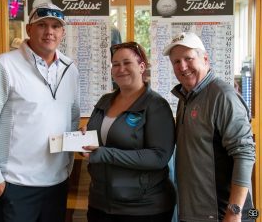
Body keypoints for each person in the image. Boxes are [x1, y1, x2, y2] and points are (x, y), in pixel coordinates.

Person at [0, 2, 80, 222]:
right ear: (29, 29)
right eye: (42, 25)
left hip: (56, 184)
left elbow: (73, 117)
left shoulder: (71, 69)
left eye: (55, 26)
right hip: (14, 186)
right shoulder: (3, 65)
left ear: (62, 33)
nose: (49, 31)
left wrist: (67, 168)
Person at [163, 32, 256, 222]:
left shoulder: (222, 96)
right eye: (176, 61)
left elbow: (245, 153)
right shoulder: (186, 98)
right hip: (195, 213)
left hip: (223, 214)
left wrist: (235, 211)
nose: (182, 66)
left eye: (188, 58)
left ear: (205, 59)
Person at [81, 42, 176, 222]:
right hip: (100, 203)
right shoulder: (105, 100)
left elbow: (158, 157)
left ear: (141, 67)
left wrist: (104, 154)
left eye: (127, 63)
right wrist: (82, 140)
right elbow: (97, 138)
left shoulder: (155, 105)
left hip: (143, 208)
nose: (121, 69)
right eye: (115, 64)